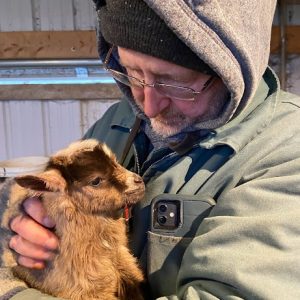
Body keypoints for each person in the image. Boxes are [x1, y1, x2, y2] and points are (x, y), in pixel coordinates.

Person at [1, 0, 300, 299]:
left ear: (236, 68)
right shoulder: (117, 121)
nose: (148, 105)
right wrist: (18, 230)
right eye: (131, 72)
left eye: (175, 83)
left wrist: (13, 292)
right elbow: (37, 216)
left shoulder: (285, 152)